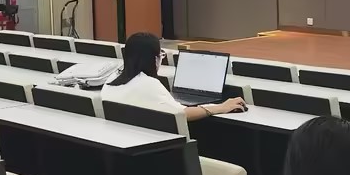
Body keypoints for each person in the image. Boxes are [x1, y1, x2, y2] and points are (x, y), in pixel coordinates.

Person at [100, 31, 245, 120]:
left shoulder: (112, 79)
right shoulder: (148, 84)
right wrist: (220, 107)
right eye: (160, 55)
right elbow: (182, 114)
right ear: (154, 59)